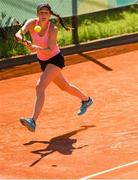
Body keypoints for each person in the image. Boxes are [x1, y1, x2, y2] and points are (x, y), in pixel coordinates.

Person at [15, 3, 93, 132]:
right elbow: (18, 34)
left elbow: (50, 49)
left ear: (50, 15)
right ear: (37, 14)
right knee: (65, 87)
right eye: (41, 13)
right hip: (43, 61)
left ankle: (33, 121)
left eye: (46, 13)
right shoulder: (31, 23)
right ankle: (87, 100)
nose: (43, 15)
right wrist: (23, 40)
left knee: (40, 87)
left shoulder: (53, 29)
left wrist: (35, 48)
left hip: (55, 59)